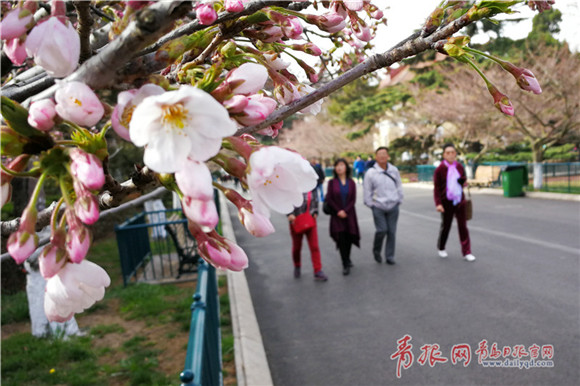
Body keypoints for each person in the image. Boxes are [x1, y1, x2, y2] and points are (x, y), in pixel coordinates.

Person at [433, 144, 476, 262]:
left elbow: (463, 179)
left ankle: (467, 251)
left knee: (463, 227)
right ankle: (441, 247)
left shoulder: (459, 166)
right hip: (446, 202)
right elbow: (436, 188)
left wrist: (462, 181)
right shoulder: (440, 169)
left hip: (459, 200)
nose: (451, 154)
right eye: (448, 152)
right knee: (446, 226)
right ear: (444, 155)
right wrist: (438, 203)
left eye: (453, 152)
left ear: (455, 154)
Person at [363, 147, 404, 265]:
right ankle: (376, 250)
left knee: (391, 232)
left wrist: (399, 199)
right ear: (376, 157)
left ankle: (389, 256)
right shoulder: (371, 173)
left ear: (388, 156)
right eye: (379, 154)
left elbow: (399, 185)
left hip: (393, 206)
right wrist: (370, 204)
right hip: (378, 206)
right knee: (382, 230)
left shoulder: (394, 170)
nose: (382, 156)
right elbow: (367, 190)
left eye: (384, 154)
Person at [325, 159, 361, 275]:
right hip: (337, 216)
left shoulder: (351, 182)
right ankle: (345, 263)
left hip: (349, 214)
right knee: (341, 239)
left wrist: (345, 211)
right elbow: (329, 198)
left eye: (341, 165)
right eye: (337, 165)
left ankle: (348, 257)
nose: (339, 167)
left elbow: (353, 200)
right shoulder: (332, 183)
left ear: (346, 167)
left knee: (349, 237)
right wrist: (338, 211)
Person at [288, 190, 328, 281]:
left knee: (314, 246)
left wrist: (315, 212)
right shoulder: (291, 184)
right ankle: (297, 265)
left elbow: (315, 199)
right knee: (297, 247)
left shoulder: (310, 184)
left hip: (310, 219)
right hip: (295, 220)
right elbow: (285, 200)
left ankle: (318, 270)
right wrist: (289, 214)